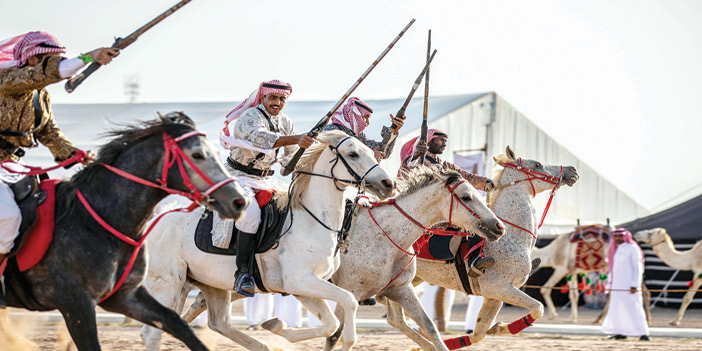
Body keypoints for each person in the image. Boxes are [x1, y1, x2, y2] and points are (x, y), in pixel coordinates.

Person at [0, 31, 116, 308]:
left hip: (13, 166)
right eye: (49, 59)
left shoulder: (41, 96)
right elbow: (55, 72)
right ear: (32, 59)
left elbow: (49, 133)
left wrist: (75, 154)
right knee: (9, 216)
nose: (55, 63)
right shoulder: (8, 80)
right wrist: (90, 56)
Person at [219, 79, 315, 297]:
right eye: (273, 97)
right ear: (263, 97)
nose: (277, 102)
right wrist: (297, 139)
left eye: (282, 99)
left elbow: (291, 156)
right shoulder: (249, 118)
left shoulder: (286, 122)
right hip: (238, 177)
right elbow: (261, 139)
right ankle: (242, 273)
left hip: (268, 181)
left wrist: (305, 157)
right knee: (251, 215)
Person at [398, 128, 495, 275]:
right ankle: (475, 262)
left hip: (446, 212)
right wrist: (415, 156)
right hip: (428, 216)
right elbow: (403, 176)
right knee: (474, 221)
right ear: (430, 140)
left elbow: (466, 177)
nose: (444, 144)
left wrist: (487, 183)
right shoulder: (418, 162)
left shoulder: (446, 166)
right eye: (441, 140)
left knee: (479, 218)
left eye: (446, 141)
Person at [601, 228, 649, 341]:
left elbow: (638, 267)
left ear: (625, 236)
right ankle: (620, 332)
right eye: (616, 236)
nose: (617, 239)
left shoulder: (632, 248)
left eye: (620, 236)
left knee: (634, 308)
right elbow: (613, 270)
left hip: (630, 286)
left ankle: (643, 333)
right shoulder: (615, 250)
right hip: (617, 286)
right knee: (617, 309)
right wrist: (609, 286)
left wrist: (635, 285)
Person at [322, 96, 404, 161]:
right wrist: (370, 156)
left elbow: (382, 152)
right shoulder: (331, 131)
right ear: (354, 114)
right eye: (365, 117)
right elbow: (338, 158)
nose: (367, 123)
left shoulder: (359, 137)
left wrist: (394, 130)